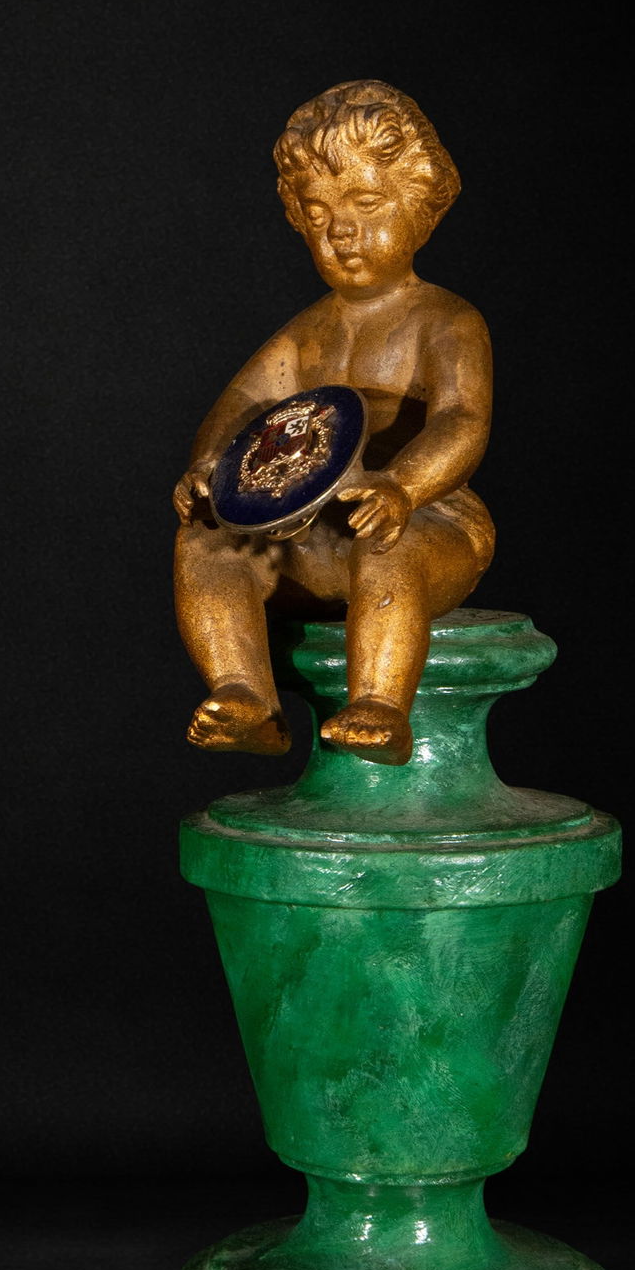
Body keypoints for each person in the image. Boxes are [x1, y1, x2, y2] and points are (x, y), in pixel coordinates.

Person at [173, 80, 494, 766]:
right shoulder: (306, 335)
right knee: (204, 545)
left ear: (419, 204)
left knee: (391, 548)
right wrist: (209, 469)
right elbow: (239, 405)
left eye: (367, 203)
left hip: (427, 520)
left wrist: (402, 487)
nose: (340, 231)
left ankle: (379, 704)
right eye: (317, 213)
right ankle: (245, 696)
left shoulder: (445, 320)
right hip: (309, 530)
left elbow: (464, 420)